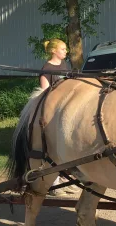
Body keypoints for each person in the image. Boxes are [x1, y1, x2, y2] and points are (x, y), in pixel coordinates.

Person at [37, 39, 79, 196]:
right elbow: (44, 94)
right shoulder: (46, 69)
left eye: (65, 49)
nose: (65, 51)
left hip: (65, 110)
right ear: (53, 51)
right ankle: (52, 183)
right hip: (52, 112)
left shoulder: (64, 66)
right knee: (52, 147)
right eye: (62, 49)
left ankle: (65, 180)